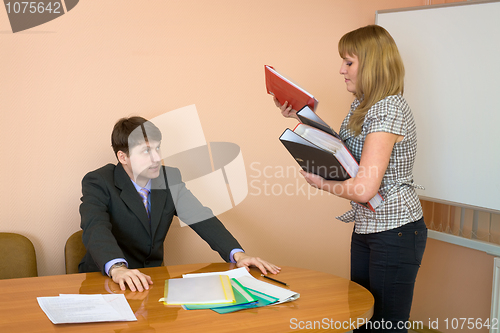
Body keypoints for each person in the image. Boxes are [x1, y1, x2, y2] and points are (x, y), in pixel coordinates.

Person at [274, 25, 427, 332]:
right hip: (369, 226)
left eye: (348, 62)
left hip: (395, 230)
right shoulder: (362, 104)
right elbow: (344, 150)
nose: (341, 70)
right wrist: (304, 115)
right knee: (361, 316)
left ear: (370, 64)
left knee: (385, 326)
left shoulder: (388, 110)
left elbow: (363, 187)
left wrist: (321, 183)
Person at [79, 116, 280, 292]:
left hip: (151, 282)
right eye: (146, 151)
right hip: (106, 281)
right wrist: (117, 268)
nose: (157, 158)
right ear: (123, 157)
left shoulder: (169, 178)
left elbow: (201, 216)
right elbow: (95, 227)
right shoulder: (99, 181)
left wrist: (238, 255)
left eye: (157, 148)